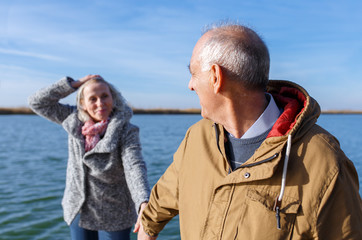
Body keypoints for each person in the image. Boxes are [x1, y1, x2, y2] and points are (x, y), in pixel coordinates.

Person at [136, 23, 362, 239]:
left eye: (194, 73)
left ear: (215, 77)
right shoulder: (196, 137)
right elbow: (162, 199)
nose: (190, 85)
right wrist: (148, 228)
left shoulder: (327, 163)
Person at [28, 75, 150, 240]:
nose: (100, 103)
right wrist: (74, 84)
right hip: (79, 208)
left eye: (105, 96)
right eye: (92, 98)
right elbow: (37, 102)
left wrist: (143, 201)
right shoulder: (72, 119)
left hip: (115, 211)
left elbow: (134, 165)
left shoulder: (125, 129)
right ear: (82, 104)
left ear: (113, 98)